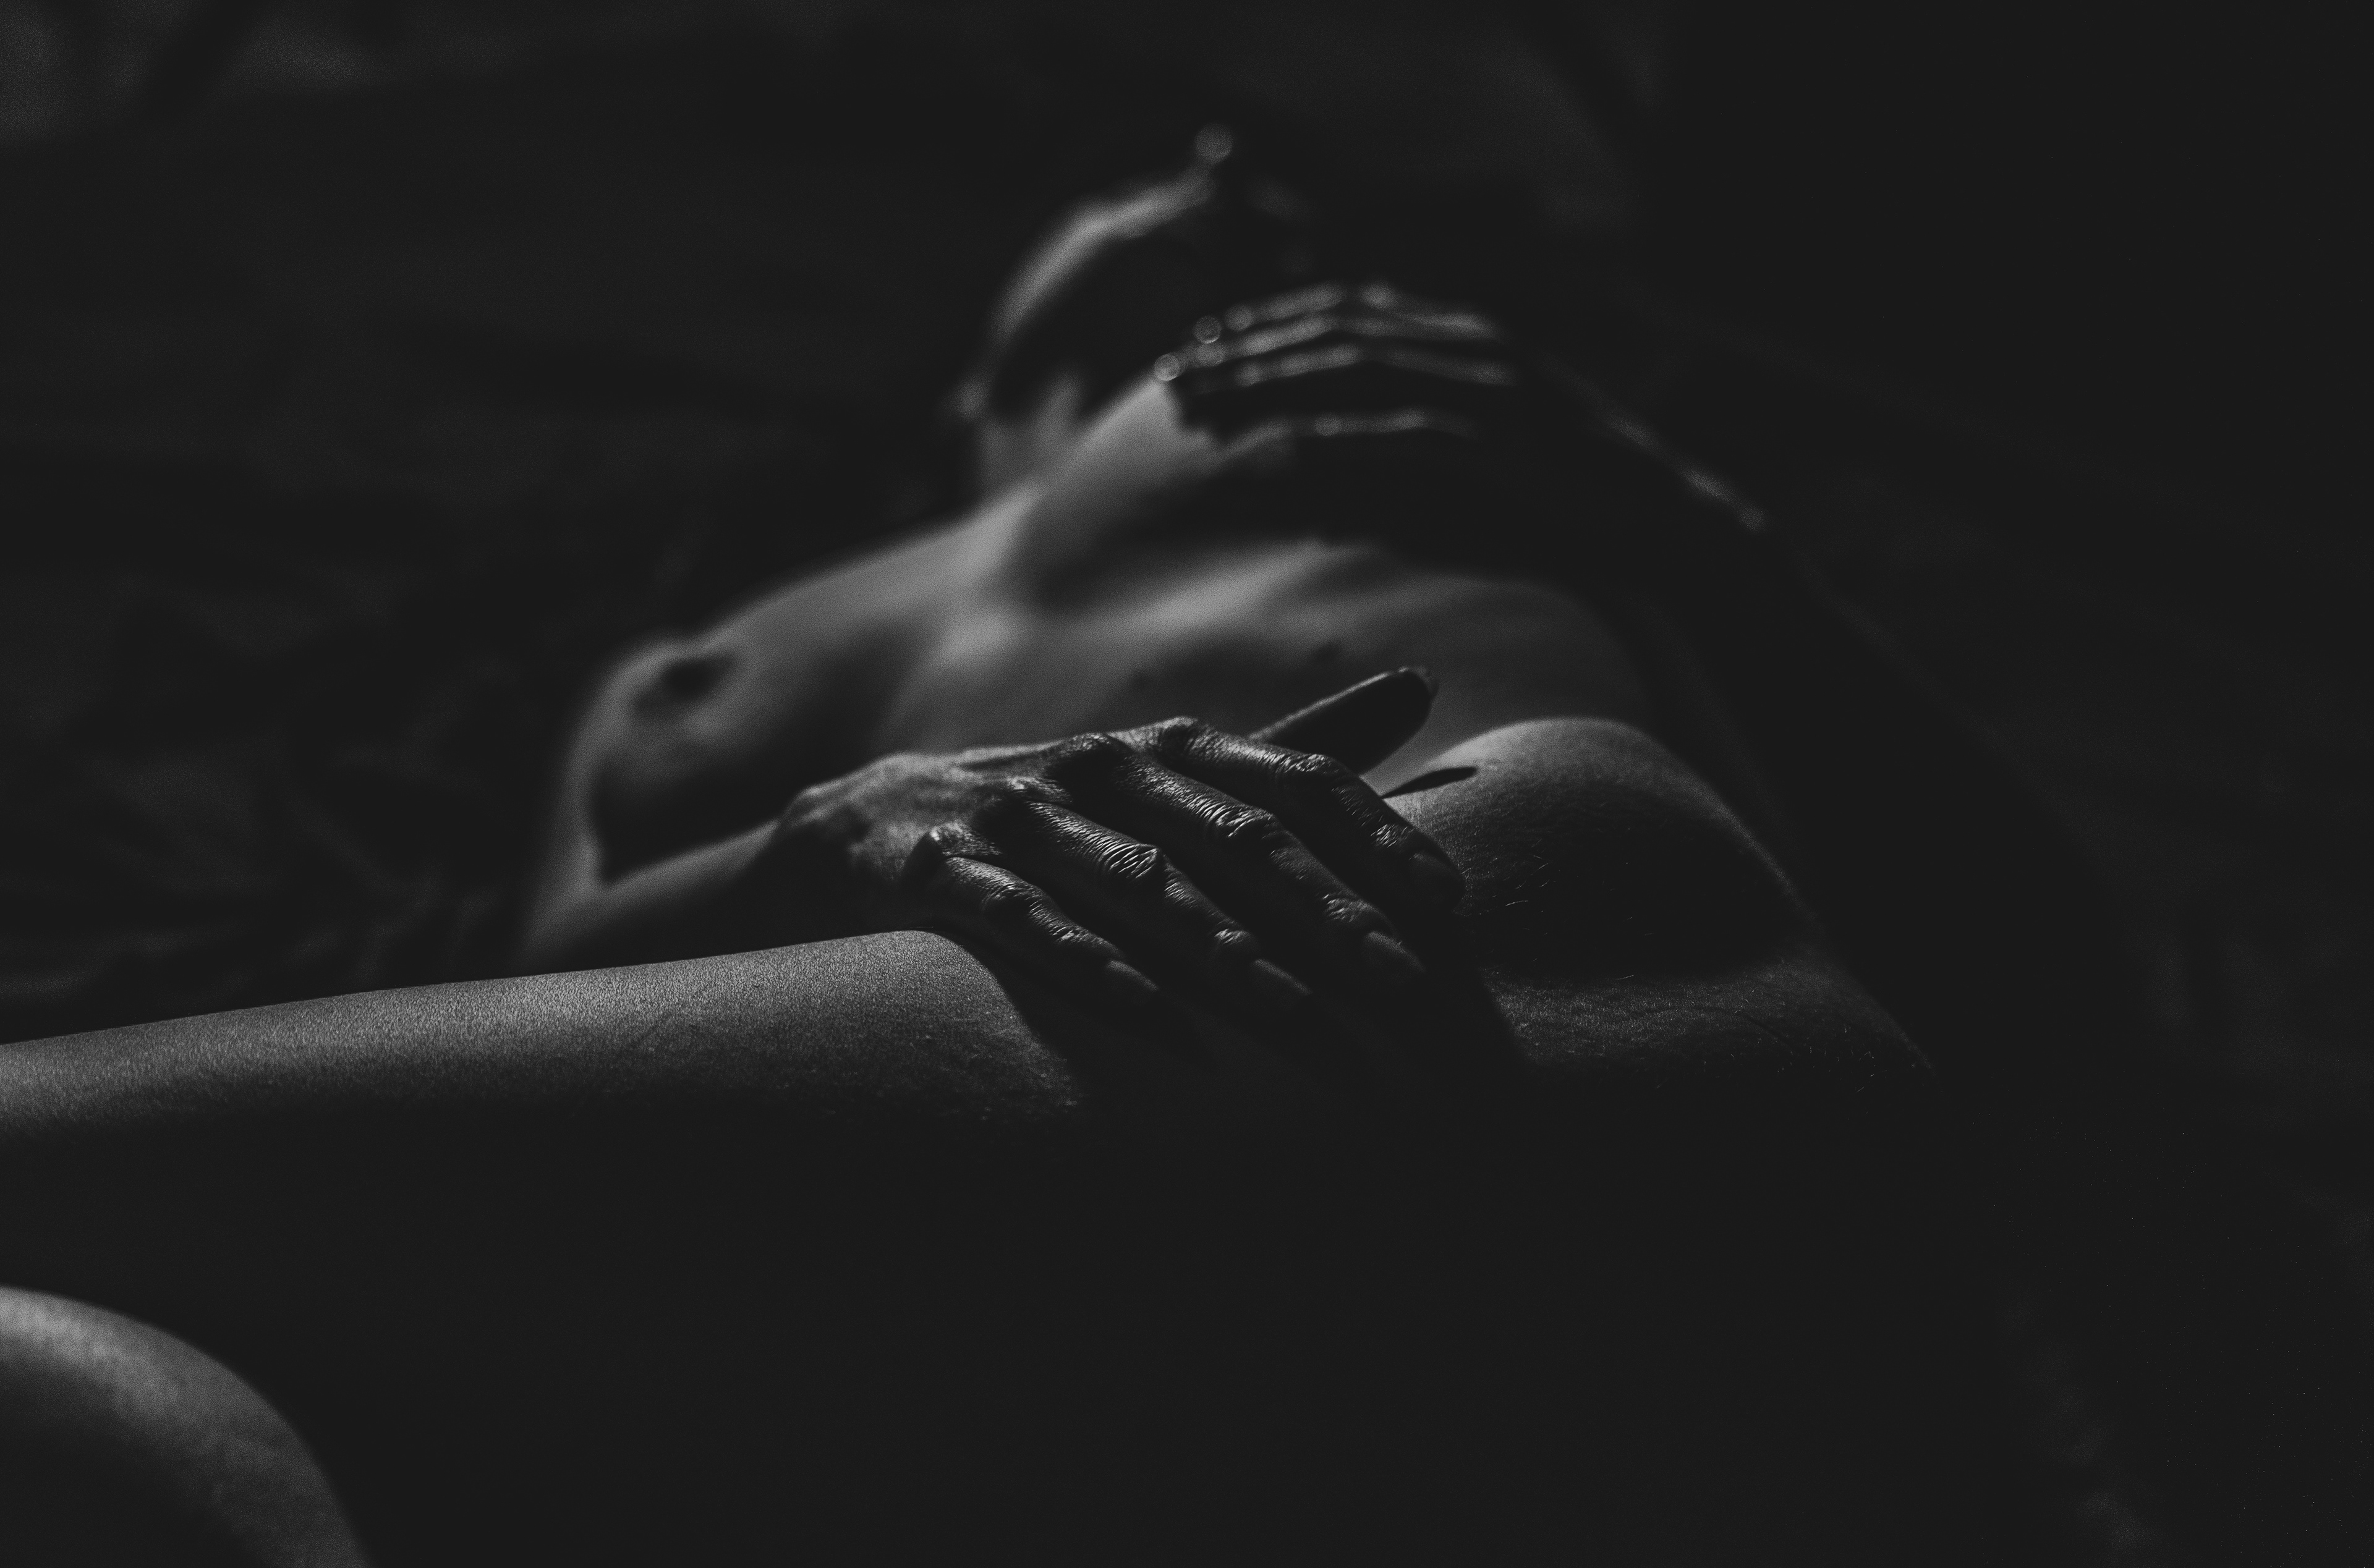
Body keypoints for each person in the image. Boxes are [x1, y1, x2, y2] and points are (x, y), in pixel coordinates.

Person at [0, 137, 1996, 1564]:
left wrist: (1705, 532)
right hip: (949, 1261)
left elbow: (2015, 945)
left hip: (1451, 949)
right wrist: (828, 829)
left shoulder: (1342, 383)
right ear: (973, 357)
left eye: (1278, 190)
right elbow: (533, 998)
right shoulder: (679, 666)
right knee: (90, 1405)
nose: (1221, 161)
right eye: (1148, 167)